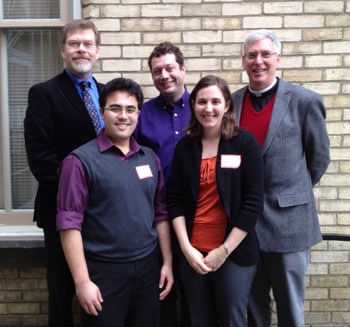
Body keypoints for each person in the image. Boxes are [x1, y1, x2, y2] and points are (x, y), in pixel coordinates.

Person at [232, 29, 330, 327]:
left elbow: (319, 158)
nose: (258, 61)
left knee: (290, 308)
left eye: (265, 54)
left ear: (278, 58)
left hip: (289, 223)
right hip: (246, 226)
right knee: (255, 308)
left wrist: (292, 190)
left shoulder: (304, 101)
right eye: (252, 55)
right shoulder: (231, 103)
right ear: (243, 61)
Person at [56, 77, 173, 326]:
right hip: (103, 273)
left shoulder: (149, 158)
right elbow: (69, 225)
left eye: (130, 109)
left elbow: (160, 213)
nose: (123, 116)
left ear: (138, 114)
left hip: (147, 269)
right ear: (101, 112)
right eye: (115, 108)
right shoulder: (79, 162)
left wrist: (167, 263)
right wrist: (82, 282)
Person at [167, 75, 264, 327]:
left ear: (227, 105)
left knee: (232, 320)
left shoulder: (244, 143)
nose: (208, 108)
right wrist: (186, 248)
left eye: (215, 101)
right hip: (193, 254)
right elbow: (174, 200)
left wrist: (224, 250)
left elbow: (253, 203)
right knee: (198, 320)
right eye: (201, 102)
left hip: (233, 253)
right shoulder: (185, 147)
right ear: (193, 105)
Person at [24, 19, 103, 326]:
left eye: (87, 44)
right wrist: (86, 191)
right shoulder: (43, 94)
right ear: (62, 51)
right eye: (74, 43)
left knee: (99, 294)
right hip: (60, 212)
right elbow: (41, 160)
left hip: (104, 216)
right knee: (63, 293)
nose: (80, 49)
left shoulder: (110, 94)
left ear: (97, 51)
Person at [134, 42, 191, 326]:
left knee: (196, 294)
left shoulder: (204, 107)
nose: (164, 75)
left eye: (170, 68)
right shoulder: (141, 115)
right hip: (156, 216)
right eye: (158, 71)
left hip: (198, 216)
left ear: (182, 69)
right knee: (161, 290)